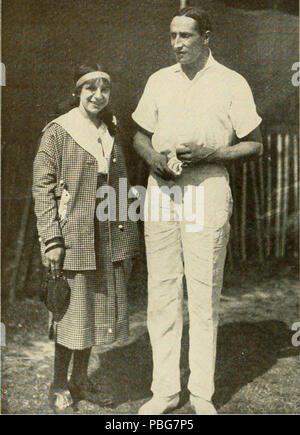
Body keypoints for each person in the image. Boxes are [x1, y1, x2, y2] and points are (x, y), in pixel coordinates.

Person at [132, 6, 263, 415]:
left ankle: (202, 395)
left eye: (185, 36)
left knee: (204, 294)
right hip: (162, 192)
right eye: (173, 35)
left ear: (206, 37)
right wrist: (152, 158)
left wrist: (212, 152)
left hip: (208, 189)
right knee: (163, 293)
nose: (176, 44)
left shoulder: (231, 82)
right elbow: (140, 135)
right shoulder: (158, 80)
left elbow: (254, 143)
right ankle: (165, 391)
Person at [33, 62, 139, 412]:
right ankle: (58, 384)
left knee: (93, 311)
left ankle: (81, 380)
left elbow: (120, 185)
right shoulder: (59, 131)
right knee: (69, 311)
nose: (98, 95)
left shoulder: (111, 128)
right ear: (76, 92)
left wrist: (126, 235)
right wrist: (51, 239)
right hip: (73, 232)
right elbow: (42, 186)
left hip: (107, 232)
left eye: (104, 89)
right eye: (90, 88)